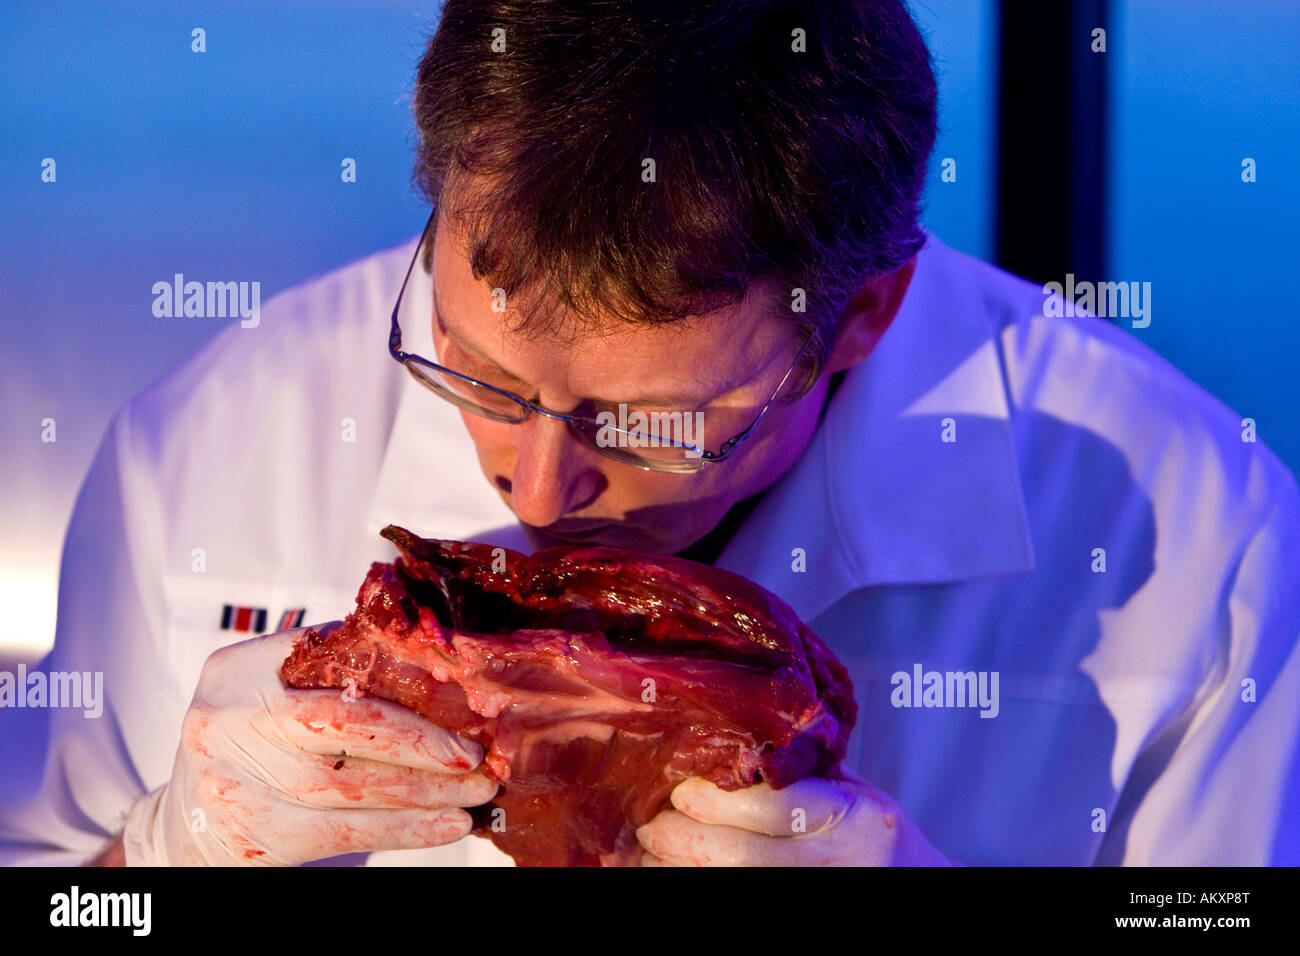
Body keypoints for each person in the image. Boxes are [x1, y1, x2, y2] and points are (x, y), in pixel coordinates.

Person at [3, 0, 1298, 867]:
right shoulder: (210, 443)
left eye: (655, 422)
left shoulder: (1206, 543)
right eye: (472, 367)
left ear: (860, 315)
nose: (533, 477)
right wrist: (165, 857)